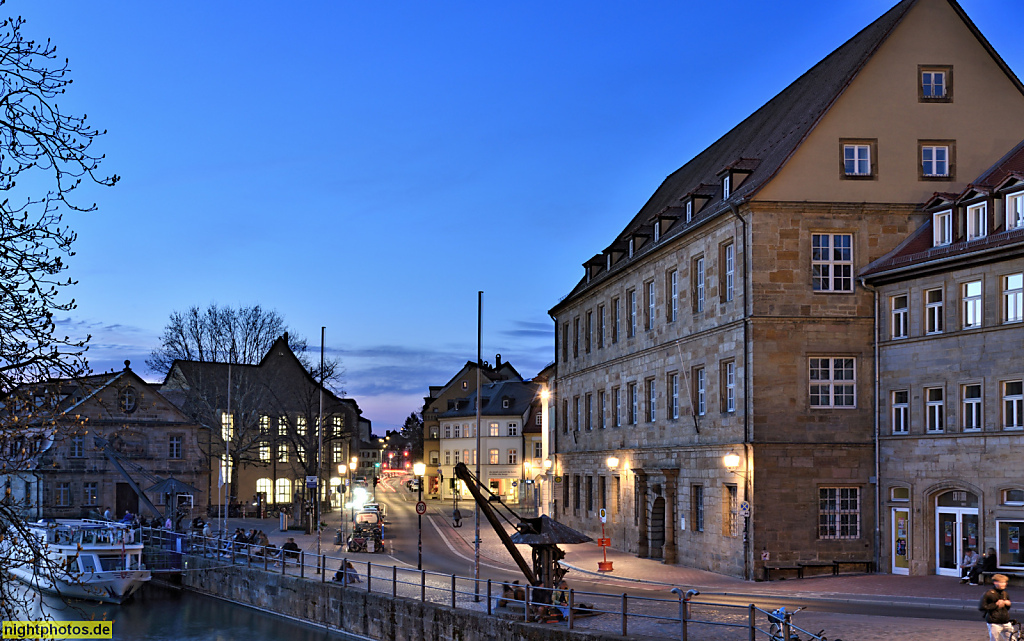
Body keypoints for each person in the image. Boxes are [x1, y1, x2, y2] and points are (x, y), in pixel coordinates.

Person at [980, 573, 1013, 641]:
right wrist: (996, 605)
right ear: (995, 582)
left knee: (1012, 639)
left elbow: (1007, 609)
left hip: (1005, 621)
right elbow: (982, 607)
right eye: (1001, 582)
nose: (1004, 584)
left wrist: (1008, 604)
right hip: (994, 622)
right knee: (994, 639)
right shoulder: (988, 593)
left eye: (1005, 582)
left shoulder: (1005, 593)